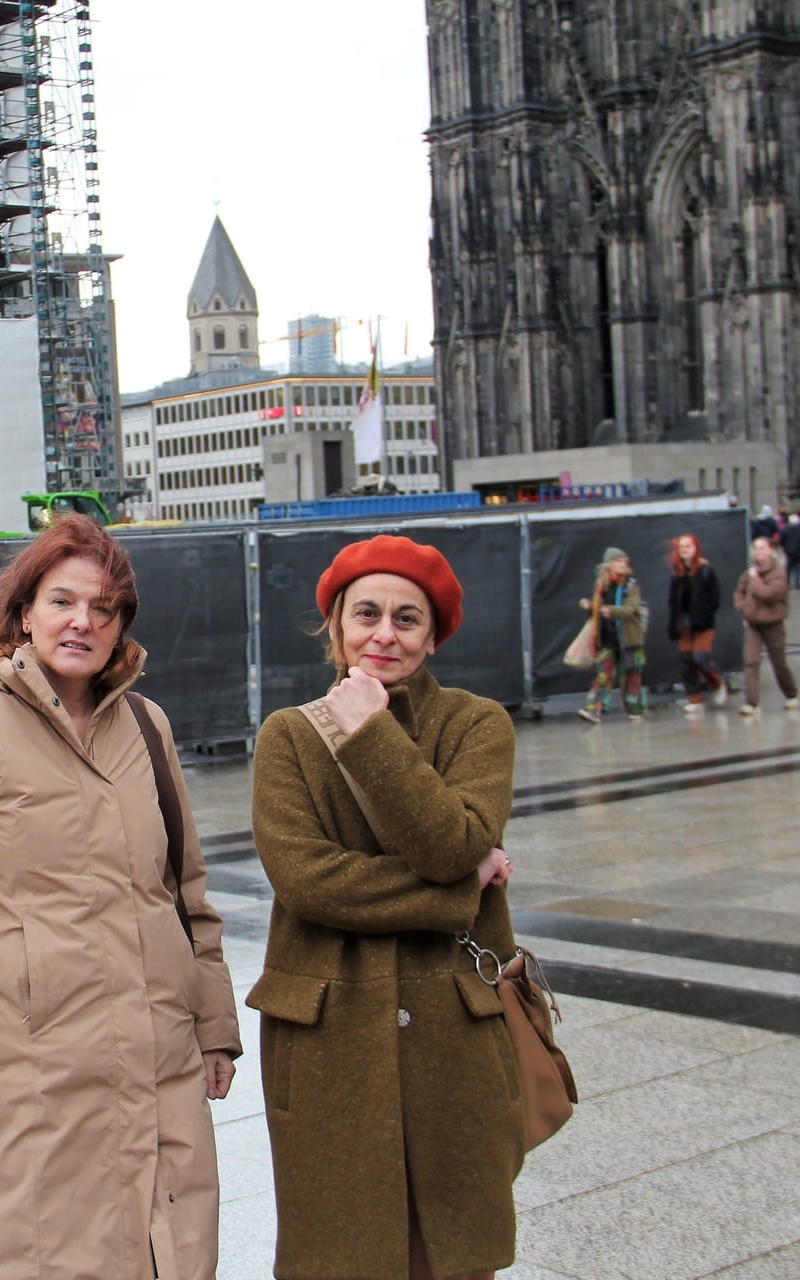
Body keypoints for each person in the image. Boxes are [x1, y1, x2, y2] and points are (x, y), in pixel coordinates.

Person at [0, 515, 240, 1280]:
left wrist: (214, 1027)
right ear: (24, 611)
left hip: (160, 1071)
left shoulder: (147, 724)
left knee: (171, 1258)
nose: (83, 622)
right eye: (63, 601)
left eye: (104, 607)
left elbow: (185, 895)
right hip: (31, 1087)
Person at [248, 534, 519, 1280]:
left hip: (452, 1036)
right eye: (366, 614)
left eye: (407, 618)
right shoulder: (288, 738)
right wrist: (462, 892)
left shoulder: (476, 725)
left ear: (433, 636)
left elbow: (450, 840)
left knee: (454, 1256)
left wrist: (370, 731)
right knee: (342, 1253)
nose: (384, 634)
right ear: (335, 626)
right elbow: (308, 881)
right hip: (331, 1034)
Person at [576, 547, 645, 723]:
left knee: (632, 675)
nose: (623, 565)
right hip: (608, 639)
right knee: (603, 675)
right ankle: (593, 709)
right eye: (618, 561)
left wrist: (611, 611)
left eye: (624, 561)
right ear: (609, 565)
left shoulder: (631, 585)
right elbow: (599, 611)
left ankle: (635, 710)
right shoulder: (602, 586)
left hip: (629, 639)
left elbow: (631, 609)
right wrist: (590, 607)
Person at [734, 536, 800, 715]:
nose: (759, 552)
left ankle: (791, 693)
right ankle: (751, 702)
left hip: (773, 624)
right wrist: (742, 606)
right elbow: (739, 590)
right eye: (756, 548)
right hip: (753, 624)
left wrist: (754, 580)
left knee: (779, 662)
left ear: (770, 551)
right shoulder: (749, 572)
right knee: (751, 661)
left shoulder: (778, 572)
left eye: (762, 548)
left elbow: (769, 594)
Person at [667, 532, 726, 715]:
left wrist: (705, 614)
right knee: (685, 660)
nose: (684, 550)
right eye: (681, 547)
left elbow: (715, 598)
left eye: (688, 546)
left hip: (702, 622)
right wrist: (673, 623)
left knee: (700, 657)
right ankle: (694, 698)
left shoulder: (705, 569)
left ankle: (716, 683)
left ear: (695, 549)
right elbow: (672, 601)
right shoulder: (677, 573)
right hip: (683, 623)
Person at [780, 513, 800, 589]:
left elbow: (782, 538)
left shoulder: (786, 528)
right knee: (797, 566)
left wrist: (784, 545)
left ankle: (787, 582)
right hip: (798, 549)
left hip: (788, 550)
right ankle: (797, 582)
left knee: (788, 567)